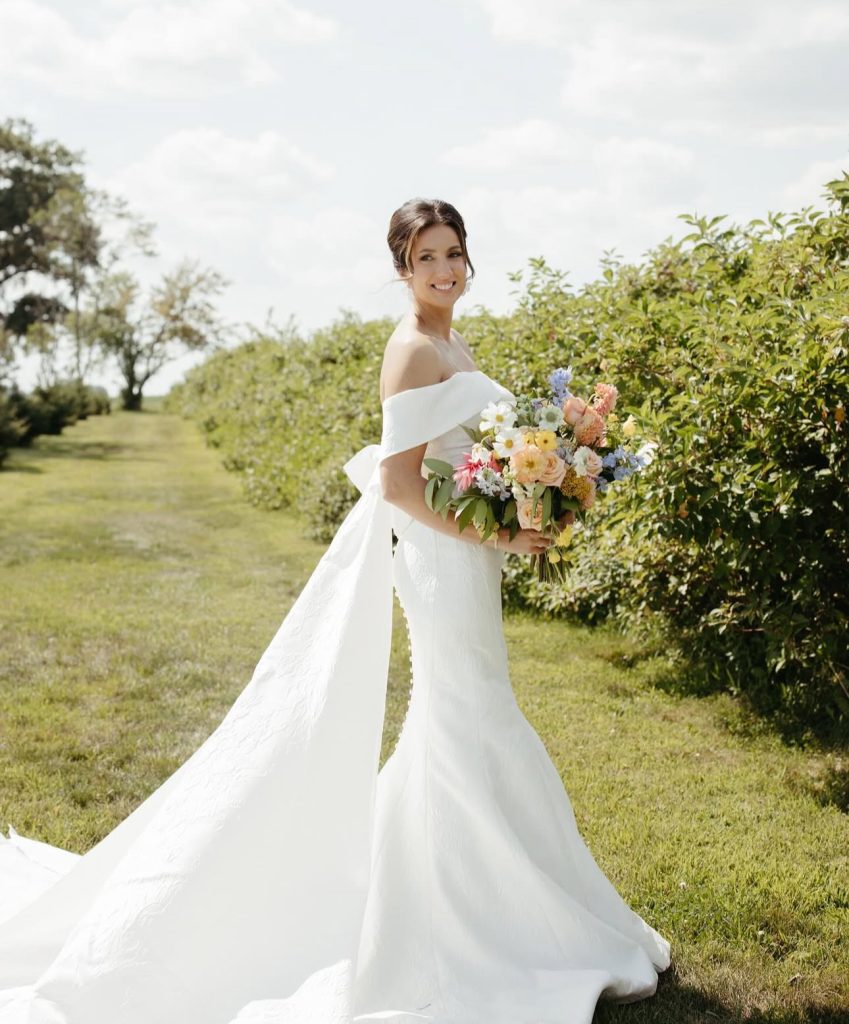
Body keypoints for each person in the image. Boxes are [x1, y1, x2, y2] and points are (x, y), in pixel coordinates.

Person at [0, 198, 671, 1023]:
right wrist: (490, 535)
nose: (444, 269)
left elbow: (462, 463)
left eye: (453, 253)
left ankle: (465, 893)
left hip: (467, 557)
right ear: (400, 268)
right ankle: (462, 921)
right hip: (438, 562)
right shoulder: (410, 351)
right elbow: (397, 485)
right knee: (466, 714)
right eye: (426, 258)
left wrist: (519, 505)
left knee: (470, 713)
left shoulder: (452, 339)